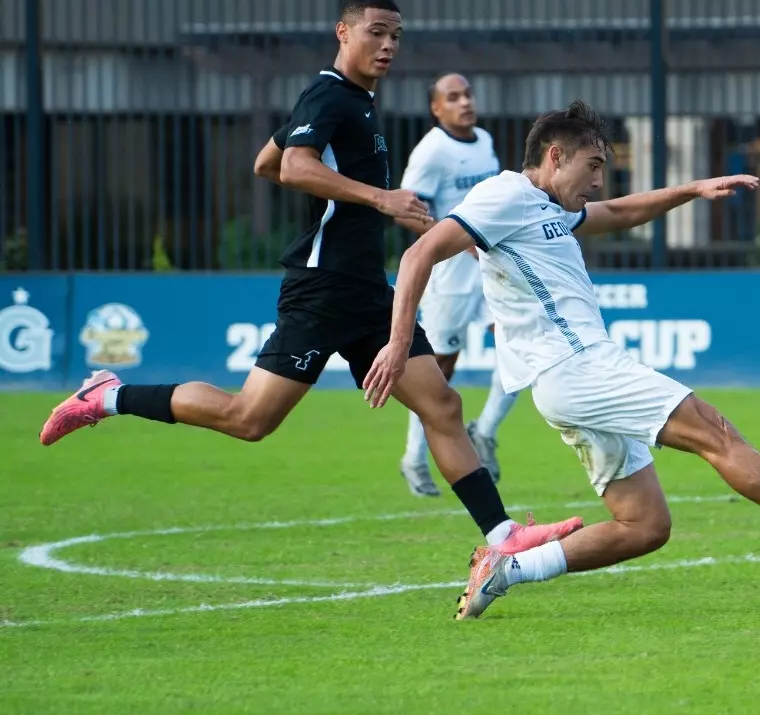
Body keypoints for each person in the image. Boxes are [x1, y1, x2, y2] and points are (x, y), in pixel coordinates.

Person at [39, 0, 582, 556]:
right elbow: (294, 165)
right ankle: (109, 395)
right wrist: (380, 197)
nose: (389, 45)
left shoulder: (354, 102)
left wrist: (382, 207)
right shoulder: (330, 94)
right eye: (377, 32)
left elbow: (264, 162)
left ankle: (500, 535)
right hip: (322, 287)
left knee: (442, 405)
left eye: (396, 35)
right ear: (343, 33)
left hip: (366, 289)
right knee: (249, 418)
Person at [361, 100, 760, 620]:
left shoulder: (546, 207)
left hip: (569, 380)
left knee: (645, 525)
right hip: (577, 367)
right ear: (554, 156)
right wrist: (398, 340)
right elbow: (419, 252)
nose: (599, 179)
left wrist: (692, 189)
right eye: (593, 164)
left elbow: (620, 212)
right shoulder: (503, 195)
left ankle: (509, 568)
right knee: (714, 431)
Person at [396, 73, 514, 496]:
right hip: (448, 276)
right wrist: (455, 237)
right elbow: (406, 211)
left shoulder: (483, 140)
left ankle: (484, 431)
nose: (465, 102)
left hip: (490, 268)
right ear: (436, 108)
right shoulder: (431, 151)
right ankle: (413, 456)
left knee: (519, 348)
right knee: (439, 370)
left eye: (467, 94)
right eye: (453, 97)